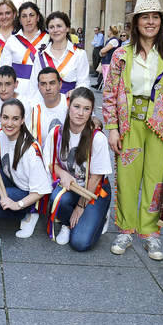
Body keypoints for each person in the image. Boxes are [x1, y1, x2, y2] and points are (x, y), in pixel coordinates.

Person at [103, 0, 163, 261]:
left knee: (156, 180)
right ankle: (125, 229)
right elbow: (109, 93)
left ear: (161, 22)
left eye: (156, 17)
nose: (151, 22)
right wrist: (112, 127)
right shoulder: (122, 53)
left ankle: (150, 232)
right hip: (129, 123)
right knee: (127, 177)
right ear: (136, 22)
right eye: (145, 17)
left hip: (160, 126)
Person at [0, 99, 53, 238]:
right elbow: (6, 148)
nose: (9, 123)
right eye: (5, 117)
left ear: (22, 120)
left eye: (15, 119)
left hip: (27, 191)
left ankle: (28, 213)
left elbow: (41, 191)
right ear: (0, 117)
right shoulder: (2, 134)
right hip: (12, 180)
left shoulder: (31, 151)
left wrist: (18, 204)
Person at [44, 88, 112, 250]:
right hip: (71, 187)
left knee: (80, 243)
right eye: (77, 107)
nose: (80, 113)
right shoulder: (56, 133)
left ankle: (101, 214)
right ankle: (67, 223)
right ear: (69, 106)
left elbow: (96, 178)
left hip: (93, 191)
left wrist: (81, 207)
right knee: (57, 198)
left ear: (91, 112)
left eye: (86, 109)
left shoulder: (98, 138)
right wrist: (62, 173)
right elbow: (50, 162)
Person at [31, 11, 90, 97]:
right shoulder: (41, 55)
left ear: (67, 28)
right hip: (46, 105)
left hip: (70, 105)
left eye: (59, 26)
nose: (55, 30)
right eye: (51, 27)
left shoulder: (79, 54)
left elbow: (84, 82)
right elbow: (34, 85)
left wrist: (76, 92)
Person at [2, 2, 48, 102]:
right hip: (18, 90)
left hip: (44, 88)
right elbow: (4, 70)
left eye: (31, 15)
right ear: (20, 20)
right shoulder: (12, 40)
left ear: (38, 17)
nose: (28, 19)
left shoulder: (48, 39)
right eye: (24, 16)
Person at [29, 67, 68, 147]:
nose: (48, 88)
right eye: (43, 84)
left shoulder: (71, 103)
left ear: (60, 85)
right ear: (38, 87)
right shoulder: (34, 109)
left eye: (52, 83)